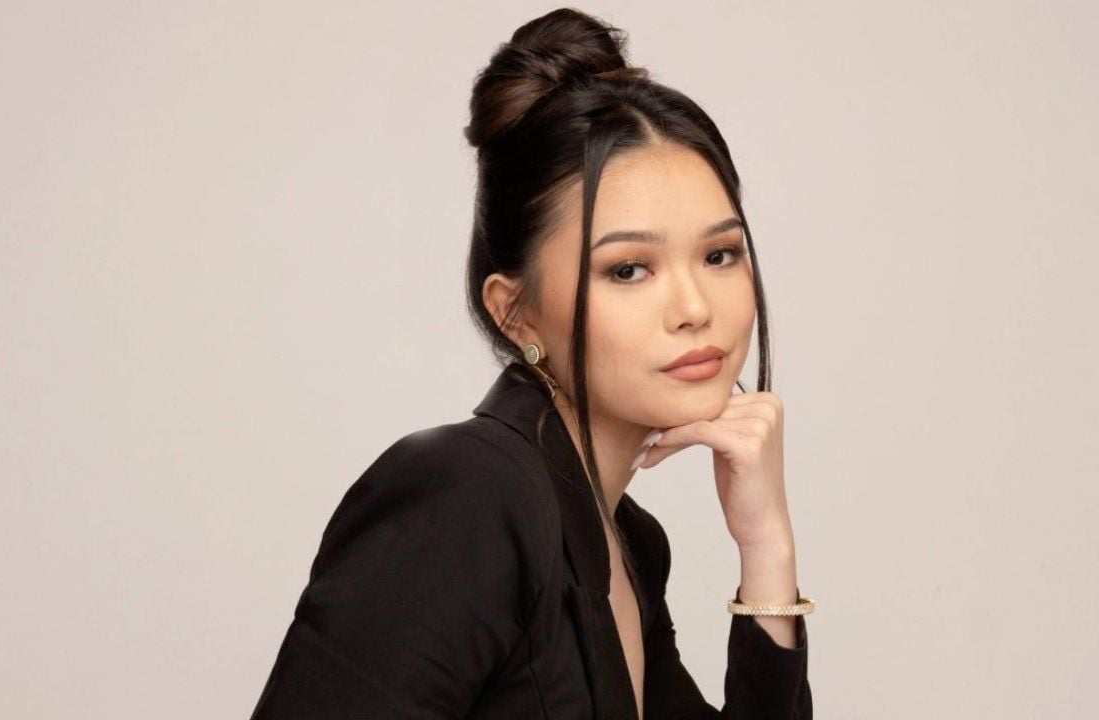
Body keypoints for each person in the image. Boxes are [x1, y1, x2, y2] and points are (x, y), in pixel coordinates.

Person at [249, 7, 814, 719]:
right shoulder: (467, 497)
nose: (695, 307)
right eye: (629, 269)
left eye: (720, 254)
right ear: (515, 312)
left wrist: (766, 546)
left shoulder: (630, 545)